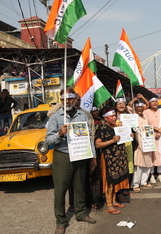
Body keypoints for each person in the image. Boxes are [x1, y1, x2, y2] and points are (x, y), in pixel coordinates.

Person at [46, 88, 97, 234]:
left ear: (75, 98)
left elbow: (89, 138)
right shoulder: (55, 117)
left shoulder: (83, 115)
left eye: (70, 98)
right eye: (64, 99)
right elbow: (48, 139)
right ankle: (61, 221)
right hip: (63, 156)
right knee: (60, 190)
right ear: (60, 100)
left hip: (81, 154)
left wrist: (92, 157)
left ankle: (81, 213)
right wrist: (59, 134)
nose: (67, 101)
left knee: (80, 186)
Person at [95, 107, 130, 215]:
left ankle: (114, 201)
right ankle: (109, 205)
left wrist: (129, 135)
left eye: (115, 116)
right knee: (109, 181)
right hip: (108, 158)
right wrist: (112, 141)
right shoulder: (102, 127)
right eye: (112, 116)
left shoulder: (116, 126)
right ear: (106, 117)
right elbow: (97, 144)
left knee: (116, 179)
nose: (114, 118)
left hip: (118, 158)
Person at [143, 97, 161, 184]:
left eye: (156, 101)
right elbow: (145, 124)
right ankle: (152, 175)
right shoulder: (146, 112)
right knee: (152, 155)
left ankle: (160, 174)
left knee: (160, 154)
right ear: (149, 104)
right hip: (150, 135)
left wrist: (160, 131)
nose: (154, 103)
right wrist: (157, 129)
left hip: (160, 136)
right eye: (152, 101)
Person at [132, 100, 154, 192]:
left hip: (148, 143)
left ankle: (144, 182)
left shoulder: (145, 118)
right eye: (138, 108)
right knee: (139, 165)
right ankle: (135, 184)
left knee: (148, 164)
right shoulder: (133, 118)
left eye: (141, 108)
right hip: (139, 144)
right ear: (135, 109)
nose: (140, 109)